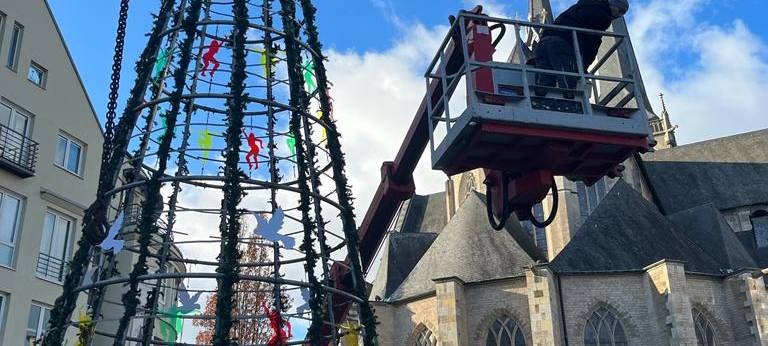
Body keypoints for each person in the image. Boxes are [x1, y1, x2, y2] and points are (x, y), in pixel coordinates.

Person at [533, 0, 629, 98]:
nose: (619, 15)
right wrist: (584, 66)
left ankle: (541, 94)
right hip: (561, 44)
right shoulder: (603, 15)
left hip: (543, 44)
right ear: (612, 5)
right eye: (620, 10)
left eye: (623, 13)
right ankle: (569, 99)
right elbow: (593, 42)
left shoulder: (583, 6)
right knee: (568, 77)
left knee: (545, 78)